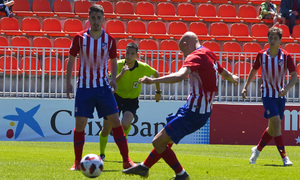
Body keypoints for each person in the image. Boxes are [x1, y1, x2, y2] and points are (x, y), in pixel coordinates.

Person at [122, 31, 239, 180]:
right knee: (165, 141)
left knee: (158, 142)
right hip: (195, 109)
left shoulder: (195, 56)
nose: (184, 55)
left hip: (194, 113)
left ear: (185, 44)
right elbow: (222, 71)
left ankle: (181, 174)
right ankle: (144, 167)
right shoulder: (208, 53)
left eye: (182, 51)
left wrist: (153, 81)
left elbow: (180, 76)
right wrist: (233, 77)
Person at [66, 4, 135, 171]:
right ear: (88, 19)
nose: (96, 21)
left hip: (103, 87)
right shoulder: (79, 38)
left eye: (99, 18)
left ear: (103, 19)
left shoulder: (109, 40)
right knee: (80, 124)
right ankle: (76, 162)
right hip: (84, 87)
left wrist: (113, 79)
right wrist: (68, 81)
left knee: (115, 122)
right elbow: (71, 59)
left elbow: (112, 62)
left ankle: (126, 160)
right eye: (93, 18)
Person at [241, 27, 297, 166]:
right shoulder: (262, 55)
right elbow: (254, 71)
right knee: (277, 124)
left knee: (272, 128)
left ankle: (257, 150)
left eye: (275, 38)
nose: (272, 41)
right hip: (267, 94)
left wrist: (286, 89)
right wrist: (245, 87)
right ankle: (285, 158)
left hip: (280, 95)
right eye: (270, 38)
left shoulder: (285, 56)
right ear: (267, 39)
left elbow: (294, 76)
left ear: (280, 41)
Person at [99, 42, 162, 161]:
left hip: (131, 100)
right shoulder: (118, 65)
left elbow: (156, 74)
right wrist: (122, 74)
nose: (128, 56)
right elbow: (111, 83)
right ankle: (102, 153)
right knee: (106, 129)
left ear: (136, 55)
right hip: (115, 97)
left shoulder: (142, 67)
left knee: (126, 124)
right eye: (127, 53)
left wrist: (158, 92)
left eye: (132, 54)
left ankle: (124, 147)